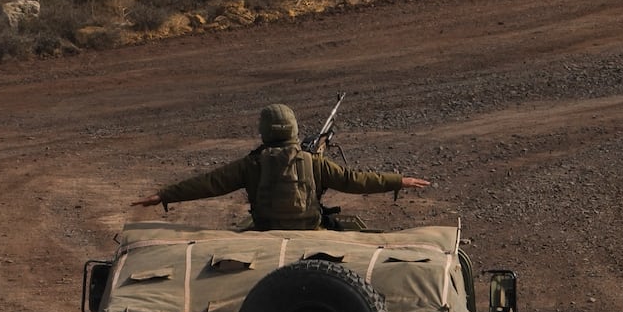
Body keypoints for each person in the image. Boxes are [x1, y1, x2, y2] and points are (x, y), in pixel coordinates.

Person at [131, 103, 430, 230]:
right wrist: (398, 180)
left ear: (265, 131)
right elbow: (355, 180)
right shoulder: (314, 162)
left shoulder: (252, 164)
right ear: (293, 129)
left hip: (265, 231)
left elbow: (210, 182)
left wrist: (165, 195)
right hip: (311, 230)